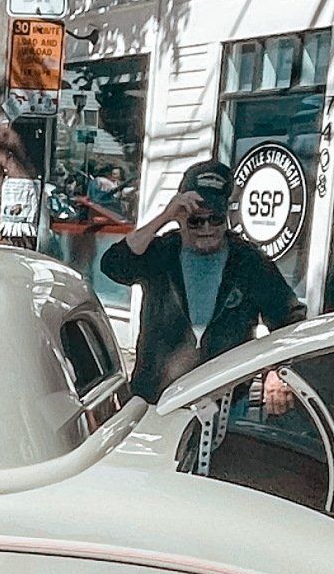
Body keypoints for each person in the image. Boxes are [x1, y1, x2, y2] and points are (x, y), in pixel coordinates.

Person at [100, 158, 301, 406]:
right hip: (156, 400)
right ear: (182, 218)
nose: (206, 228)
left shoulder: (249, 261)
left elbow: (290, 318)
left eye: (214, 219)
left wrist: (275, 370)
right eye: (196, 220)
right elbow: (113, 265)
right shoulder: (162, 252)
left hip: (224, 402)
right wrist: (163, 218)